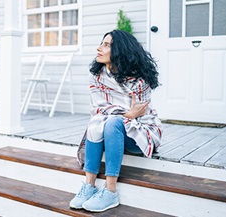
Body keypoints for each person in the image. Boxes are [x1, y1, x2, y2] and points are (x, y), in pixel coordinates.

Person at [69, 29, 163, 212]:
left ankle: (111, 191)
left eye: (106, 45)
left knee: (110, 122)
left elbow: (140, 116)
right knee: (96, 122)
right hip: (114, 127)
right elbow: (98, 109)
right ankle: (89, 185)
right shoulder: (97, 76)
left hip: (140, 133)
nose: (99, 48)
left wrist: (125, 117)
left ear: (120, 50)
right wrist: (128, 114)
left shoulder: (139, 80)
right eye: (101, 43)